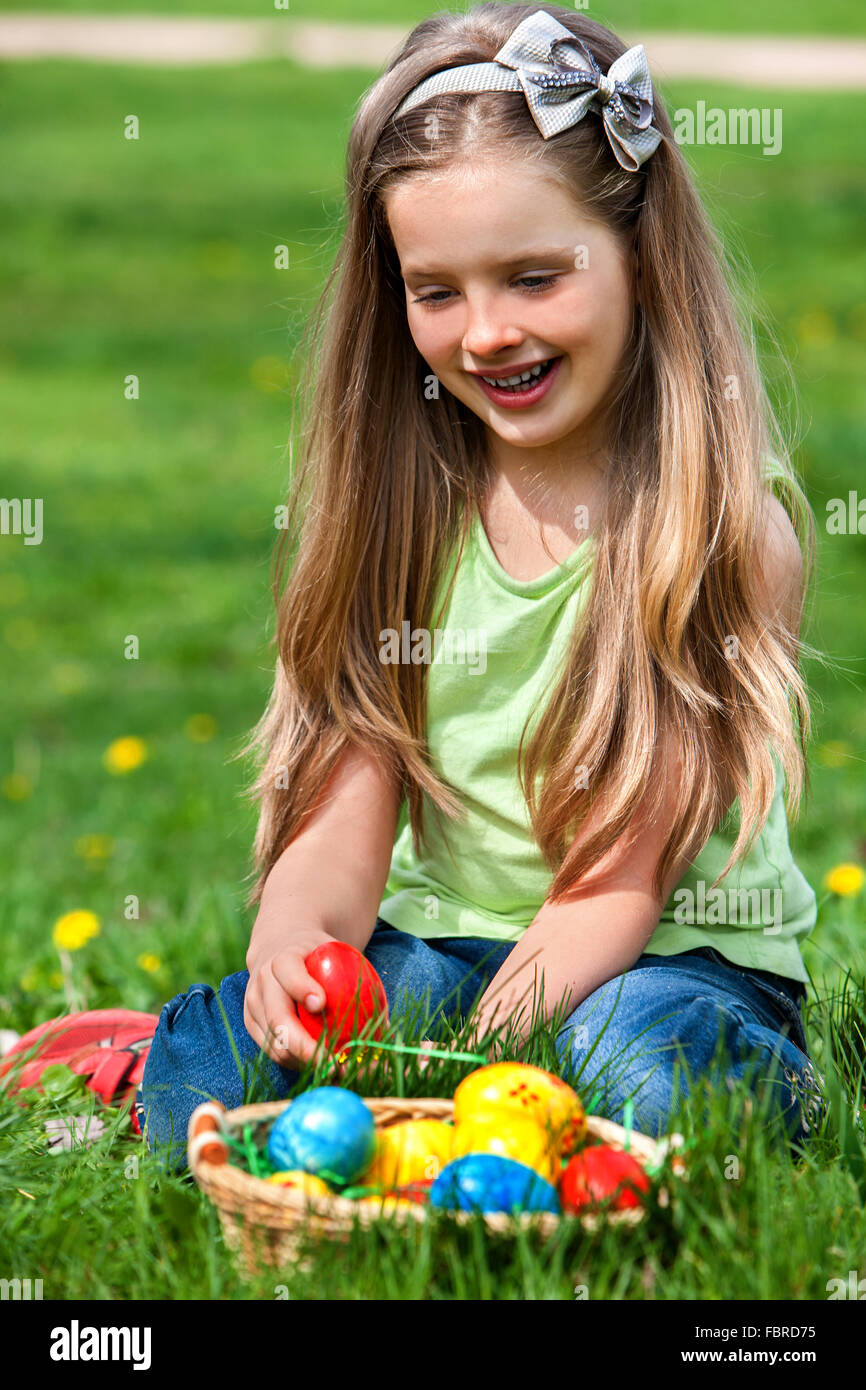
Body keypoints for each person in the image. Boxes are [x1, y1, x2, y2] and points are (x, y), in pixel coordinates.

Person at [138, 4, 824, 1167]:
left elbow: (620, 880)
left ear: (639, 257)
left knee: (639, 1067)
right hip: (449, 948)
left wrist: (465, 1085)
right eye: (437, 291)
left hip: (661, 957)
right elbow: (348, 802)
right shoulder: (401, 516)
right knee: (211, 1063)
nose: (487, 331)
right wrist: (295, 941)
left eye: (532, 277)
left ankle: (764, 1092)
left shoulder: (718, 532)